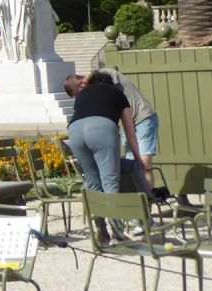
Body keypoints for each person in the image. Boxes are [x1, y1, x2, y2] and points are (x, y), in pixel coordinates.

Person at [63, 70, 149, 237]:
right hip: (102, 129)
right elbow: (130, 134)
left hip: (74, 131)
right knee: (110, 182)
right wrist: (139, 159)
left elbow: (80, 114)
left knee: (93, 183)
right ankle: (118, 234)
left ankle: (101, 233)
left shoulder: (83, 93)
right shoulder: (118, 93)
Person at [97, 67, 159, 189]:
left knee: (145, 165)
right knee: (131, 166)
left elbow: (108, 80)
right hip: (128, 123)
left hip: (143, 117)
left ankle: (147, 202)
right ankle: (136, 201)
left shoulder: (106, 74)